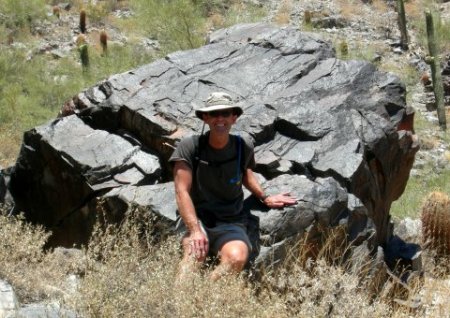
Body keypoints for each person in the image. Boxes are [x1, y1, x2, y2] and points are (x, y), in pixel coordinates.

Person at [169, 92, 297, 281]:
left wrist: (265, 197)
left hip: (230, 220)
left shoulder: (241, 145)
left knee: (236, 258)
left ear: (234, 117)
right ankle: (178, 307)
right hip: (197, 218)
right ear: (206, 117)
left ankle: (207, 297)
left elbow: (245, 173)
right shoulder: (190, 146)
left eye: (225, 113)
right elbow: (181, 191)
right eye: (214, 114)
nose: (220, 119)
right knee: (195, 255)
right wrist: (195, 230)